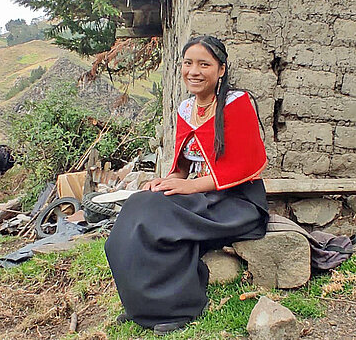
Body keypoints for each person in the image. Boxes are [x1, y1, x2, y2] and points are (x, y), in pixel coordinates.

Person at [104, 35, 269, 335]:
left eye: (204, 64)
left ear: (220, 70)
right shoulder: (185, 109)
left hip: (237, 202)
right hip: (204, 196)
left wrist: (189, 188)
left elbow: (246, 167)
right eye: (188, 63)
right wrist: (166, 182)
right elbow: (182, 169)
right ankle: (140, 306)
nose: (194, 71)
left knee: (157, 223)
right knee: (136, 208)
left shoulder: (237, 103)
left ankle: (179, 308)